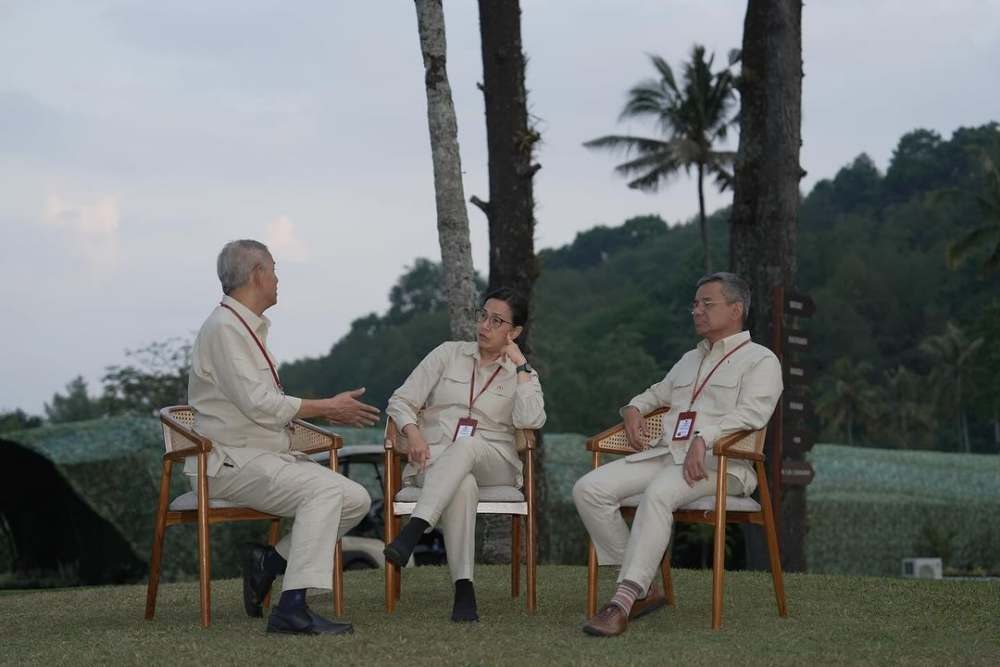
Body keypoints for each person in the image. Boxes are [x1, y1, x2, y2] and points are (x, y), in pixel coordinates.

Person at [573, 272, 783, 637]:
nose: (696, 311)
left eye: (707, 304)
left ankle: (622, 601)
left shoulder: (761, 360)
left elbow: (752, 414)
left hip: (723, 464)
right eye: (695, 304)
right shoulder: (689, 358)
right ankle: (645, 586)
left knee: (659, 493)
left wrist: (705, 437)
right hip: (668, 455)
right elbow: (655, 394)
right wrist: (633, 409)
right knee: (588, 489)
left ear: (735, 310)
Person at [187, 239, 380, 636]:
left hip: (262, 455)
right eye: (274, 270)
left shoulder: (244, 327)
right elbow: (259, 404)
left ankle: (270, 564)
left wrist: (311, 420)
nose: (277, 279)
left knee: (356, 499)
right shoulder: (225, 328)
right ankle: (291, 609)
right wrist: (327, 407)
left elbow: (263, 405)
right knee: (323, 494)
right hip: (230, 462)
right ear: (257, 274)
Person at [382, 287, 546, 622]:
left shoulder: (522, 374)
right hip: (435, 458)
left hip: (494, 459)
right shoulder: (447, 354)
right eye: (482, 315)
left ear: (514, 332)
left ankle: (415, 528)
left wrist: (521, 364)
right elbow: (400, 400)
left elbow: (531, 420)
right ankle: (464, 590)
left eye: (497, 321)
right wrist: (412, 432)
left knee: (468, 446)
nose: (484, 325)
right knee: (463, 484)